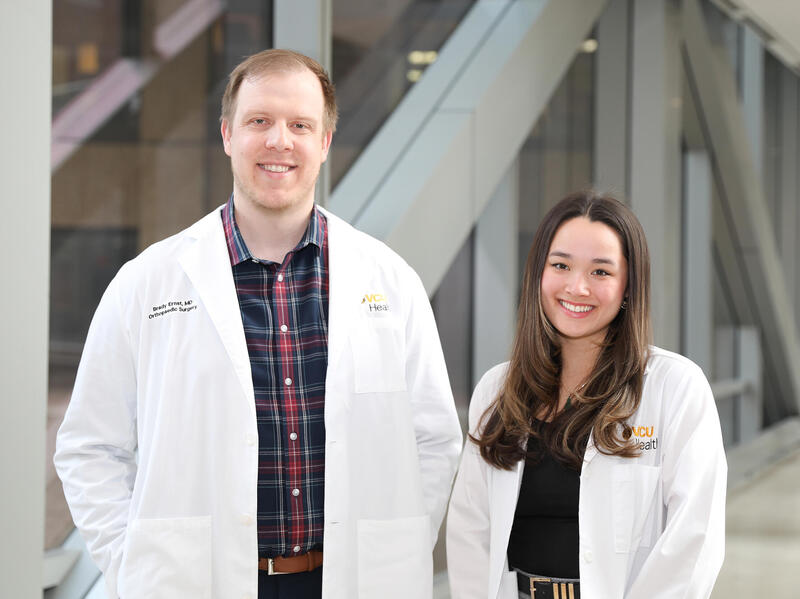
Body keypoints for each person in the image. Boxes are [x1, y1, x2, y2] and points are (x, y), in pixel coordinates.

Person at [54, 49, 462, 599]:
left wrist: (401, 543)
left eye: (300, 124)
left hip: (353, 581)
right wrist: (132, 565)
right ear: (227, 135)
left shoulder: (389, 280)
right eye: (259, 122)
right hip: (195, 583)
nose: (279, 141)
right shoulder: (148, 283)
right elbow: (89, 448)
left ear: (324, 142)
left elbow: (433, 439)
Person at [446, 192, 726, 599]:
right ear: (538, 274)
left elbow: (694, 538)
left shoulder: (675, 387)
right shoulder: (497, 389)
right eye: (560, 265)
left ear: (629, 285)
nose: (577, 287)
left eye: (600, 272)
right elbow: (470, 528)